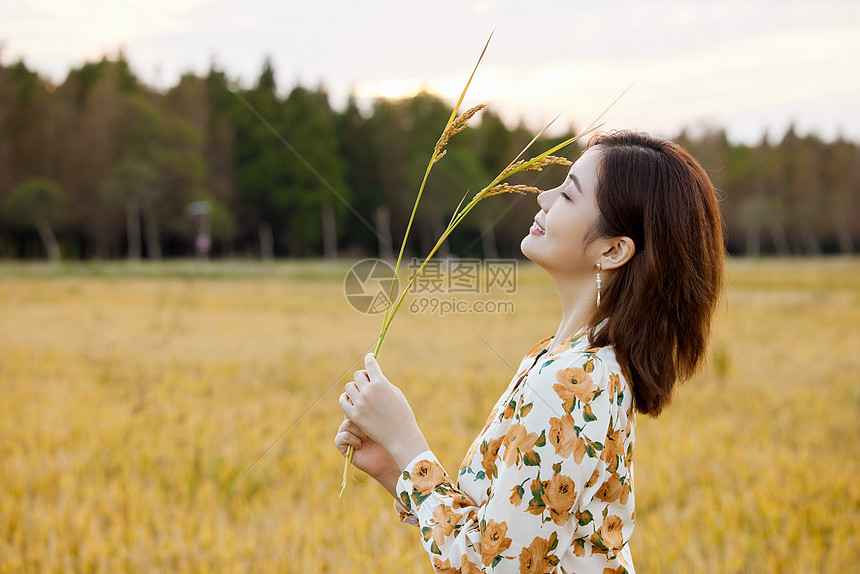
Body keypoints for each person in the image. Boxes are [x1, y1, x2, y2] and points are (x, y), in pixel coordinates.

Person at [335, 130, 725, 573]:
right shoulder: (564, 359)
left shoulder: (574, 378)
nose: (544, 195)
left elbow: (497, 566)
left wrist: (408, 444)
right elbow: (501, 531)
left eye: (569, 194)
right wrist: (395, 467)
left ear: (613, 250)